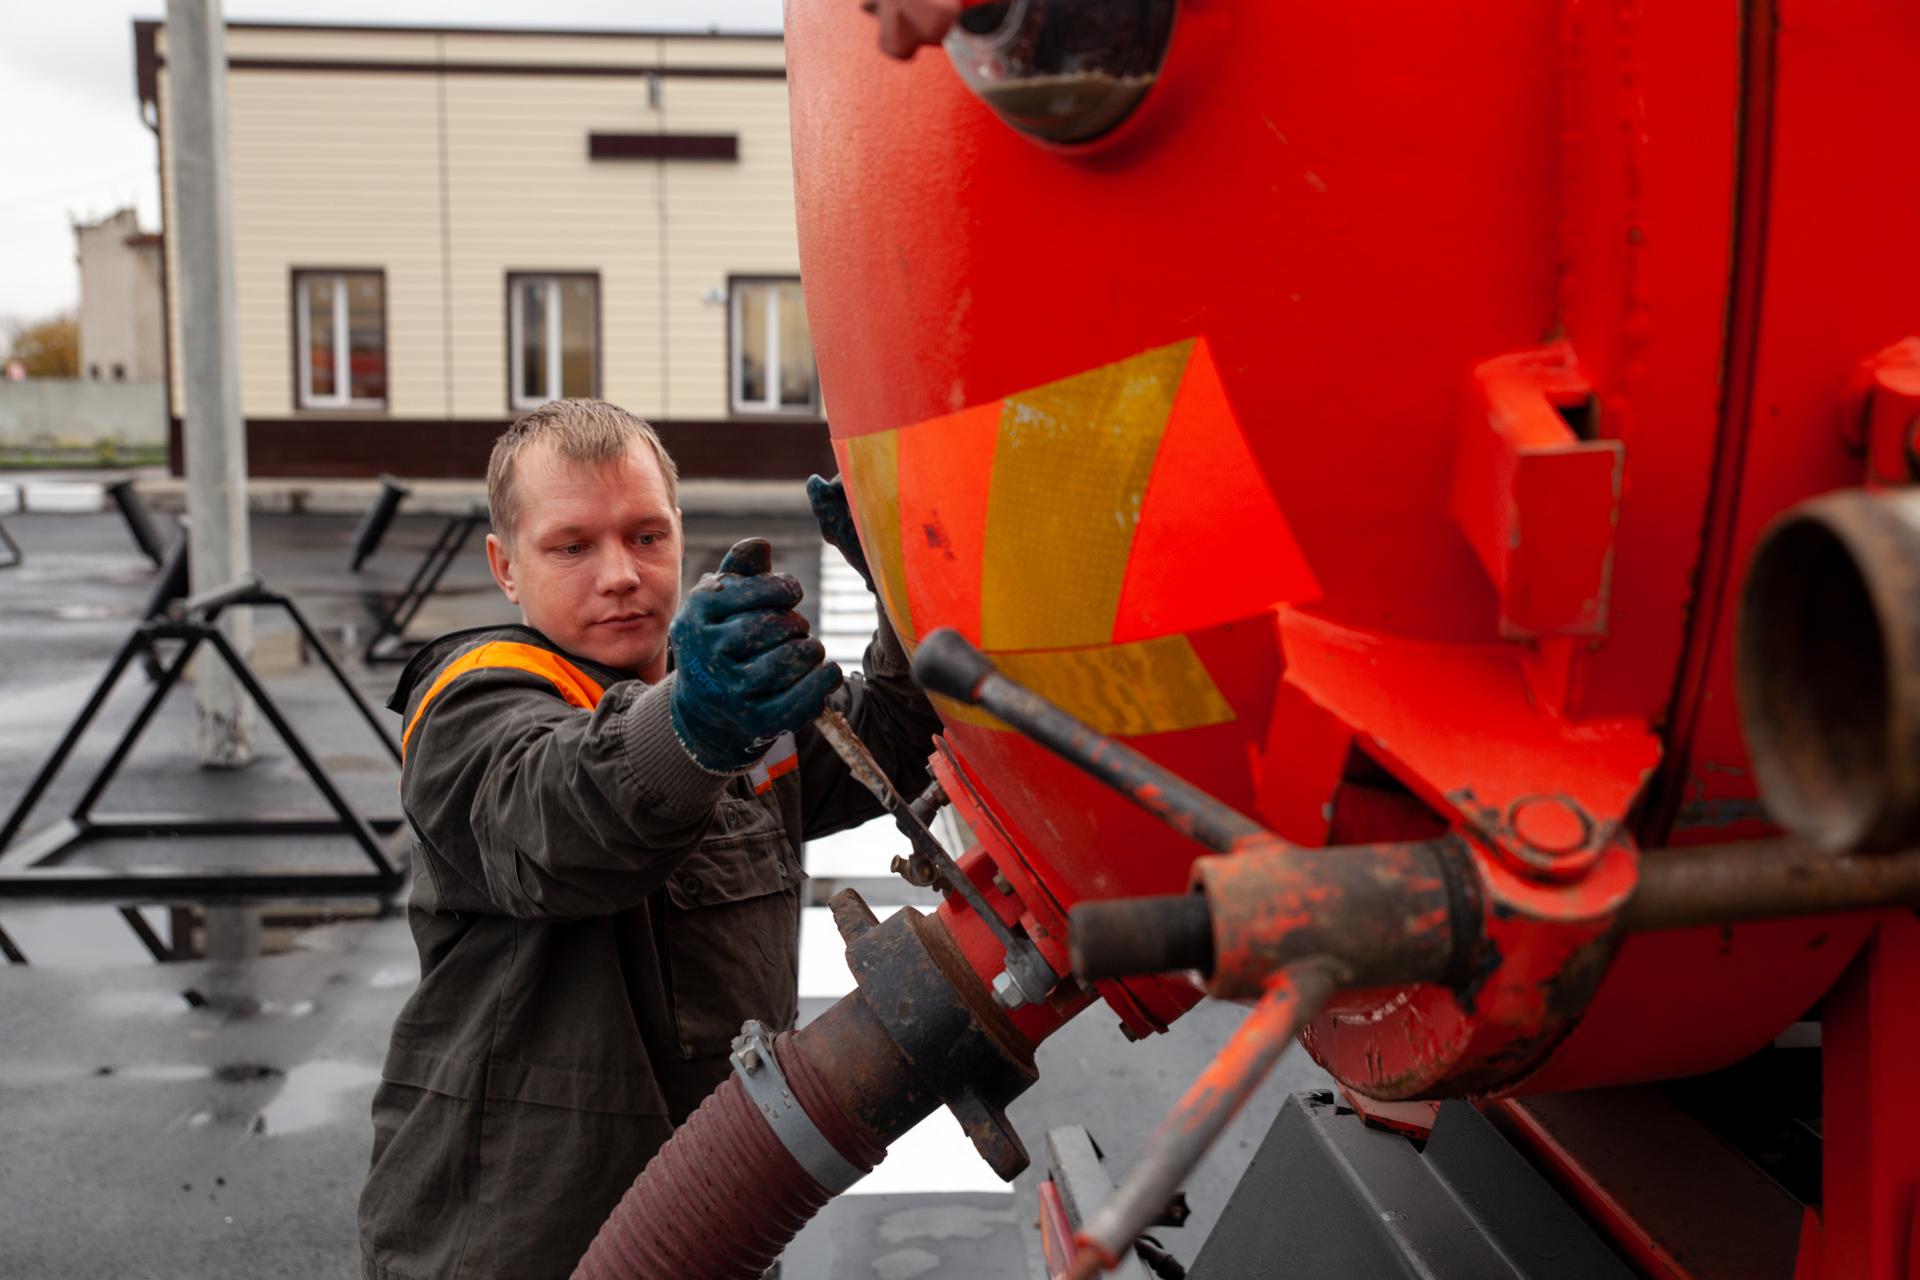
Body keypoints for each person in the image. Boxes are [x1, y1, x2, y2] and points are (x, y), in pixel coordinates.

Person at [357, 399, 941, 1278]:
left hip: (715, 1216)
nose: (621, 574)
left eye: (645, 536)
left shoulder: (729, 697)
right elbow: (564, 821)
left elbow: (891, 737)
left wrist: (904, 583)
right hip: (514, 1242)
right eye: (572, 546)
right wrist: (696, 727)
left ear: (680, 533)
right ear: (504, 566)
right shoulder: (472, 706)